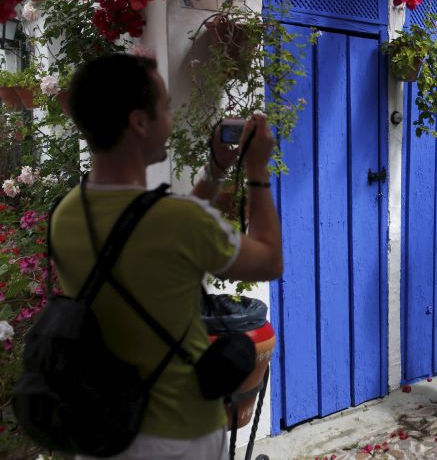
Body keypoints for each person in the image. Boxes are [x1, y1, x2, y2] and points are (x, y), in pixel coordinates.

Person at [50, 54, 283, 460]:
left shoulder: (65, 214)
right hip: (180, 434)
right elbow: (268, 261)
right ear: (140, 122)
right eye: (165, 108)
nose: (171, 120)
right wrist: (257, 171)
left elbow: (156, 230)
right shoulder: (175, 222)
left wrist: (214, 170)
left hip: (104, 429)